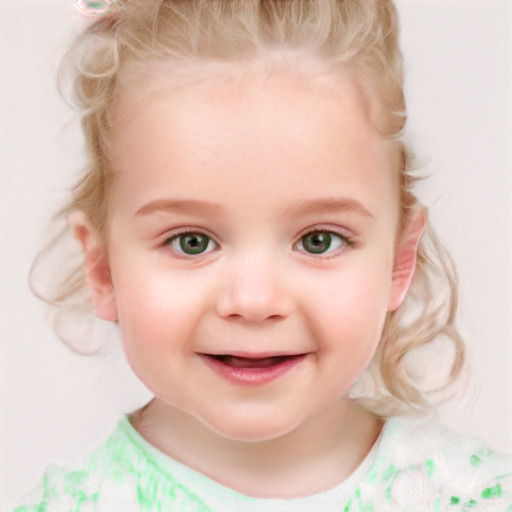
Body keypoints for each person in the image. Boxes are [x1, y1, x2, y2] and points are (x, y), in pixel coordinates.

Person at [12, 0, 512, 510]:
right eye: (192, 242)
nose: (254, 301)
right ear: (103, 270)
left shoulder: (472, 498)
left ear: (399, 261)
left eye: (319, 240)